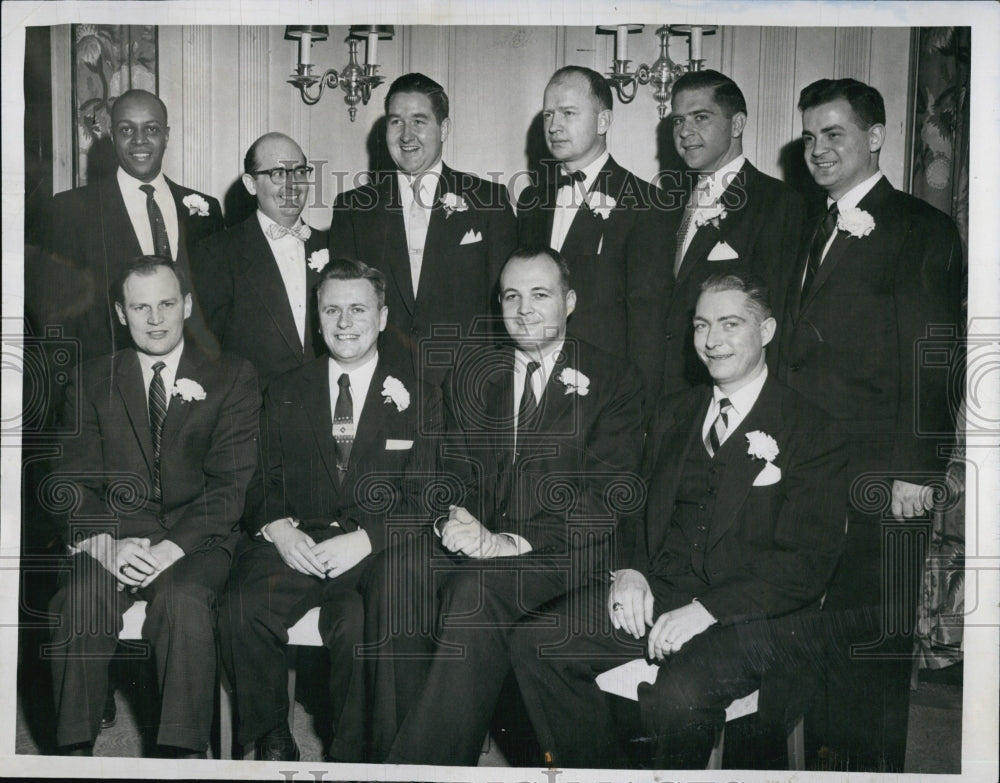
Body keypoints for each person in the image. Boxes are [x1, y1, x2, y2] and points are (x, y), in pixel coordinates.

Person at [510, 273, 848, 769]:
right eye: (700, 326)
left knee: (678, 697)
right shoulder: (673, 413)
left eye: (730, 324)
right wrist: (630, 570)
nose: (711, 341)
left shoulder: (812, 430)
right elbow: (630, 509)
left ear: (768, 331)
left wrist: (706, 611)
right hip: (662, 591)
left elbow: (807, 563)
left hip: (754, 618)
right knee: (535, 645)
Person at [363, 247, 645, 764]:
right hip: (481, 536)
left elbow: (607, 499)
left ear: (570, 301)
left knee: (477, 591)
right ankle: (390, 753)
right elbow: (445, 471)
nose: (524, 308)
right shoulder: (475, 374)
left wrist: (510, 542)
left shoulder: (614, 381)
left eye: (540, 294)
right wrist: (454, 516)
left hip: (566, 552)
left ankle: (422, 771)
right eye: (511, 296)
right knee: (397, 573)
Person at [778, 77, 964, 770]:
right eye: (809, 135)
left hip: (885, 479)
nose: (817, 149)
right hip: (814, 474)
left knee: (871, 656)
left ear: (876, 137)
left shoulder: (922, 228)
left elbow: (934, 358)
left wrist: (918, 471)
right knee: (825, 645)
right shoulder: (811, 224)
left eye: (834, 134)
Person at [218, 258, 441, 762]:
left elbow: (429, 492)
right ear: (316, 318)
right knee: (240, 608)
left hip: (369, 551)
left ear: (382, 318)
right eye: (332, 310)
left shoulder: (421, 392)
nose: (344, 323)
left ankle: (349, 754)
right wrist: (278, 530)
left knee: (361, 626)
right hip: (298, 541)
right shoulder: (285, 389)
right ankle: (272, 734)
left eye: (358, 309)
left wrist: (366, 539)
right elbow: (259, 478)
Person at [46, 257, 259, 757]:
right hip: (114, 535)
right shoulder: (91, 379)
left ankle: (180, 755)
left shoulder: (231, 375)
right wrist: (106, 543)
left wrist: (172, 549)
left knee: (183, 604)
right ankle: (72, 752)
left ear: (186, 305)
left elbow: (230, 486)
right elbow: (67, 481)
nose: (156, 318)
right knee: (77, 602)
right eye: (140, 307)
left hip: (196, 539)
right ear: (121, 313)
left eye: (166, 303)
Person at [328, 72, 517, 385]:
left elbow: (507, 305)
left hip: (469, 383)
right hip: (381, 380)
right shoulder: (352, 208)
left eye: (419, 121)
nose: (406, 135)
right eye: (395, 122)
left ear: (443, 129)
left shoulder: (489, 201)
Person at [516, 66, 671, 400]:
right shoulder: (531, 200)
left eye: (568, 113)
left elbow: (648, 324)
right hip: (533, 385)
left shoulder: (645, 203)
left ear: (603, 122)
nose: (554, 126)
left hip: (605, 391)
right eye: (548, 115)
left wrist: (639, 410)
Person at [43, 89, 222, 361]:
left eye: (151, 128)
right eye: (127, 130)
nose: (140, 140)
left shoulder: (205, 210)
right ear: (113, 136)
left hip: (194, 374)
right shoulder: (71, 209)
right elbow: (58, 314)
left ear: (166, 135)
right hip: (109, 378)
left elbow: (214, 306)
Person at [661, 70, 804, 394]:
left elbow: (775, 312)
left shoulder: (777, 202)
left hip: (727, 389)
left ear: (737, 124)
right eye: (679, 121)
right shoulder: (666, 202)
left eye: (700, 117)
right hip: (666, 393)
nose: (685, 131)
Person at [190, 133, 329, 390]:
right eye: (278, 173)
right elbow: (204, 353)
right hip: (252, 415)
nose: (292, 185)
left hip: (323, 409)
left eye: (299, 171)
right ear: (251, 184)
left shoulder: (333, 245)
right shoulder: (216, 253)